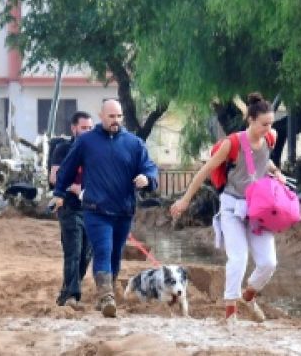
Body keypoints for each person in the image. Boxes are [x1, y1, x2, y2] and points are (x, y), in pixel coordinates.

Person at [170, 92, 289, 323]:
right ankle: (231, 313)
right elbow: (204, 172)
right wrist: (185, 200)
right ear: (251, 120)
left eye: (271, 124)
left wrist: (276, 172)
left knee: (268, 263)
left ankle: (249, 295)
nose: (269, 128)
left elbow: (263, 162)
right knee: (239, 258)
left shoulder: (270, 138)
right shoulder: (231, 143)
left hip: (259, 209)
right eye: (264, 124)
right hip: (232, 207)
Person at [51, 98, 158, 318]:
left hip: (123, 210)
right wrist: (59, 193)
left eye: (119, 116)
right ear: (101, 116)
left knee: (115, 255)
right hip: (95, 209)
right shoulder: (87, 142)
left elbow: (150, 168)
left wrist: (147, 179)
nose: (116, 120)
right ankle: (107, 296)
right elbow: (68, 169)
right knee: (103, 249)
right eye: (111, 116)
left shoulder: (134, 143)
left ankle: (104, 294)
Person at [49, 111, 94, 308]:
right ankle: (73, 296)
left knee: (86, 255)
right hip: (68, 206)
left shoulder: (95, 151)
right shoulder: (63, 149)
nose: (87, 132)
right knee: (73, 251)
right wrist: (73, 188)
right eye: (84, 128)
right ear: (74, 128)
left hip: (91, 209)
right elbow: (54, 177)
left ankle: (66, 292)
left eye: (90, 128)